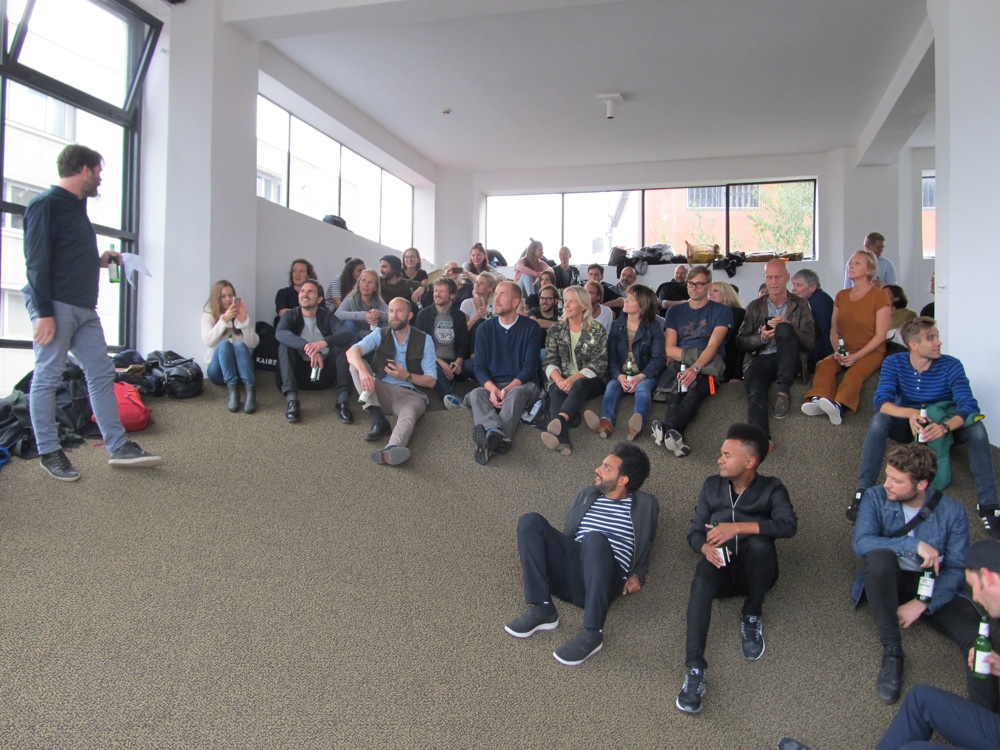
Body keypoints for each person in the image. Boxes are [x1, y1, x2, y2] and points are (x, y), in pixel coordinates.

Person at [22, 143, 161, 480]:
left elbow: (66, 257)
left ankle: (118, 446)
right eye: (98, 171)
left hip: (85, 308)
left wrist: (101, 262)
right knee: (48, 377)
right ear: (84, 169)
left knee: (101, 374)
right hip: (55, 305)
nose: (100, 178)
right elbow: (36, 263)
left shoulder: (76, 207)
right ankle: (49, 451)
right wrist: (43, 312)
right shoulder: (45, 204)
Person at [851, 443, 997, 709]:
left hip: (933, 582)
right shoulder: (875, 497)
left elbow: (957, 567)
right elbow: (861, 544)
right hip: (890, 576)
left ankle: (985, 716)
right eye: (887, 476)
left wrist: (923, 602)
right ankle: (893, 650)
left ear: (921, 485)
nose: (887, 484)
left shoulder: (952, 512)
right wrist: (911, 544)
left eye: (897, 481)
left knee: (977, 638)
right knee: (879, 558)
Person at [675, 423, 797, 714]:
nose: (719, 459)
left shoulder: (772, 488)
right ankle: (695, 669)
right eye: (721, 453)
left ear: (750, 461)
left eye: (727, 455)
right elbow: (694, 531)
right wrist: (704, 548)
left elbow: (788, 525)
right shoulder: (711, 486)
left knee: (760, 545)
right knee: (701, 577)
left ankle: (752, 612)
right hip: (721, 569)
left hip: (758, 574)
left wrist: (739, 527)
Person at [505, 443, 659, 666]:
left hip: (603, 580)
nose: (597, 469)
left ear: (623, 480)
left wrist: (638, 575)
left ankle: (592, 633)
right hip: (572, 569)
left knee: (594, 539)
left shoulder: (645, 504)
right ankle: (543, 607)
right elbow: (569, 536)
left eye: (606, 468)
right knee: (530, 521)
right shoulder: (587, 494)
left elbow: (646, 543)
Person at [848, 317, 1000, 538]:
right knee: (879, 420)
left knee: (977, 429)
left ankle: (989, 504)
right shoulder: (894, 363)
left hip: (943, 425)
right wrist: (911, 414)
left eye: (937, 336)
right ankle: (862, 492)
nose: (939, 342)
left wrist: (945, 427)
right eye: (931, 338)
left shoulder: (951, 365)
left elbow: (968, 406)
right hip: (909, 426)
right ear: (914, 345)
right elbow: (881, 402)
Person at [651, 265, 732, 458]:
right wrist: (691, 362)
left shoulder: (722, 311)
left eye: (699, 284)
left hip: (710, 369)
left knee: (696, 391)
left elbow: (713, 347)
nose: (694, 288)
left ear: (709, 286)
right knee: (677, 392)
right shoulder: (674, 312)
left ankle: (667, 428)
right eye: (690, 283)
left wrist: (695, 367)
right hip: (682, 365)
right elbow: (669, 348)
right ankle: (675, 435)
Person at [801, 250, 890, 425]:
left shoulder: (880, 296)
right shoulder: (841, 295)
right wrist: (838, 351)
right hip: (845, 349)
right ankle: (818, 398)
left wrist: (856, 356)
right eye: (850, 263)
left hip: (871, 351)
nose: (851, 266)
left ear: (869, 269)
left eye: (857, 263)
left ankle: (840, 405)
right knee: (824, 365)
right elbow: (834, 330)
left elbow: (880, 335)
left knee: (854, 374)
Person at [346, 297, 437, 466]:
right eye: (391, 311)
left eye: (399, 311)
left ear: (409, 315)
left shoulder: (425, 340)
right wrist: (364, 371)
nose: (394, 315)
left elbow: (431, 381)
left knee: (409, 415)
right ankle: (378, 418)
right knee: (355, 366)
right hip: (380, 391)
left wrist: (406, 375)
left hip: (411, 395)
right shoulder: (380, 333)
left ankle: (392, 449)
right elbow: (351, 352)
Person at [737, 260, 814, 444]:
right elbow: (740, 341)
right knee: (755, 386)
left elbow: (810, 343)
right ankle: (760, 438)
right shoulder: (754, 306)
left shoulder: (801, 304)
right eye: (769, 277)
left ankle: (783, 392)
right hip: (763, 358)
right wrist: (762, 337)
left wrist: (790, 328)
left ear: (787, 278)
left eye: (778, 277)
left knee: (785, 329)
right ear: (765, 278)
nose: (773, 282)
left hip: (792, 358)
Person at [466, 281, 541, 465]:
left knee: (515, 393)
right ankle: (496, 434)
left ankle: (490, 437)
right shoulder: (484, 329)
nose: (496, 299)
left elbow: (530, 368)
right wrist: (492, 389)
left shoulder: (531, 328)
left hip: (522, 385)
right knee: (476, 394)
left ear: (515, 302)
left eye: (502, 294)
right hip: (494, 384)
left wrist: (508, 388)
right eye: (496, 294)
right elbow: (479, 368)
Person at [586, 284, 665, 442]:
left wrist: (640, 376)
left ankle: (637, 423)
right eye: (627, 297)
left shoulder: (654, 327)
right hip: (622, 373)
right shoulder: (617, 325)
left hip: (644, 373)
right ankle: (606, 422)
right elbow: (612, 357)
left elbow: (658, 359)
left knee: (643, 390)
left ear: (643, 305)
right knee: (611, 387)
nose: (626, 301)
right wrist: (619, 376)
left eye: (631, 299)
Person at [539, 286, 608, 457]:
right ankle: (564, 441)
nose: (566, 305)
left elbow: (599, 363)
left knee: (580, 384)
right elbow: (549, 360)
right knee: (555, 390)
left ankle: (560, 420)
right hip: (562, 378)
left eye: (572, 301)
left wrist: (571, 380)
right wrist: (560, 380)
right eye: (565, 301)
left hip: (591, 380)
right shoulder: (556, 329)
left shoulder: (596, 329)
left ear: (583, 306)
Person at [276, 279, 355, 423]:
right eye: (302, 291)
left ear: (319, 299)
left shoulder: (327, 315)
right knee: (284, 345)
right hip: (298, 373)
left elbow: (347, 334)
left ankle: (342, 401)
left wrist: (322, 343)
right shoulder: (291, 314)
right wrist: (308, 347)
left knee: (343, 346)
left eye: (310, 292)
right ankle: (292, 401)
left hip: (323, 372)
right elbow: (280, 333)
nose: (305, 294)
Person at [201, 279, 260, 414]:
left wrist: (244, 322)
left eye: (230, 295)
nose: (228, 299)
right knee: (224, 345)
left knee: (239, 345)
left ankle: (250, 391)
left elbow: (253, 343)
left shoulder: (240, 313)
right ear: (217, 298)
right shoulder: (208, 315)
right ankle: (233, 393)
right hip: (218, 372)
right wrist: (224, 320)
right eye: (223, 296)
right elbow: (208, 341)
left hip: (240, 371)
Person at [413, 276, 470, 409]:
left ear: (452, 295)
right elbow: (420, 347)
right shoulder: (423, 315)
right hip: (433, 361)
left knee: (475, 365)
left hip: (454, 363)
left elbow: (463, 344)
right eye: (435, 290)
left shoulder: (459, 316)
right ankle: (454, 398)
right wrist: (440, 362)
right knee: (434, 368)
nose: (436, 294)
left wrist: (458, 361)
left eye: (441, 291)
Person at [791, 268, 834, 370]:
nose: (793, 289)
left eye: (799, 285)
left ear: (812, 287)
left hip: (820, 357)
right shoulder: (808, 301)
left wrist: (829, 360)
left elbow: (827, 332)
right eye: (793, 284)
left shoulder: (821, 302)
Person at [708, 280, 747, 383]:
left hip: (729, 362)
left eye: (715, 291)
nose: (710, 294)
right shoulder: (709, 314)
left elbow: (739, 345)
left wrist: (738, 375)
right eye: (709, 292)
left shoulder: (738, 313)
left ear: (726, 293)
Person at [335, 268, 388, 339]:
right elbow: (338, 314)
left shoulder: (379, 302)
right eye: (363, 280)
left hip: (374, 335)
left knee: (387, 324)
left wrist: (380, 314)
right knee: (349, 323)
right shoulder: (350, 300)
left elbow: (391, 316)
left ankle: (381, 345)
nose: (366, 285)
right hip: (356, 334)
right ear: (359, 283)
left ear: (375, 288)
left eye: (370, 282)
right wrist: (363, 315)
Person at [275, 258, 317, 323]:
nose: (297, 274)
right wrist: (308, 313)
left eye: (301, 271)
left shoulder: (316, 293)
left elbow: (322, 314)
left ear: (308, 276)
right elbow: (283, 313)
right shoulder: (283, 293)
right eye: (294, 271)